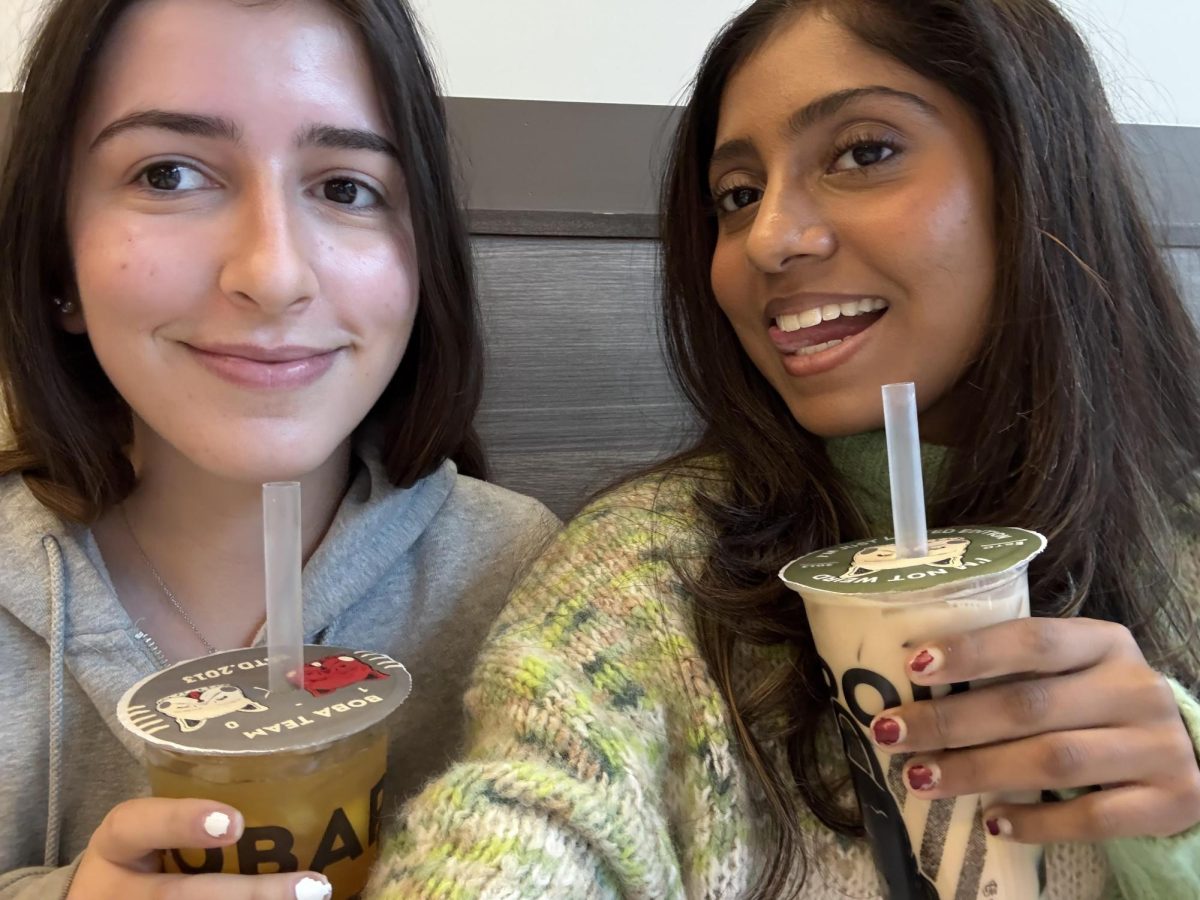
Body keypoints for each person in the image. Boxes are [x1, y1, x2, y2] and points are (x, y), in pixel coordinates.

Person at [367, 1, 1200, 897]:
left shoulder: (1180, 536)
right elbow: (523, 817)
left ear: (1035, 169)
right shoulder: (651, 571)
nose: (767, 239)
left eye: (864, 151)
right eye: (737, 195)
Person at [0, 0, 557, 897]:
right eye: (170, 174)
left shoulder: (526, 582)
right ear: (57, 259)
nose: (272, 274)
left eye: (345, 188)